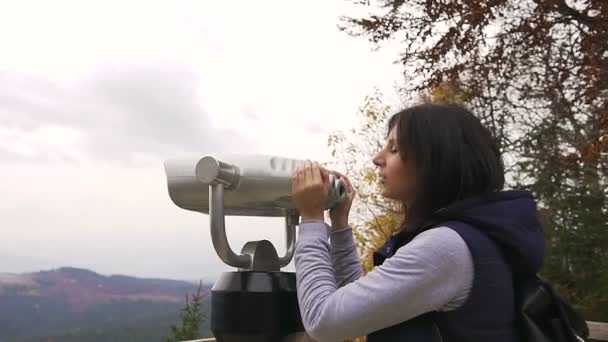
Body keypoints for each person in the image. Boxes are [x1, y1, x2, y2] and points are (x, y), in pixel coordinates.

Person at [291, 103, 545, 342]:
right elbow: (356, 310)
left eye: (393, 149)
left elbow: (322, 321)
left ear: (434, 161)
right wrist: (339, 225)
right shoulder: (467, 238)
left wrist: (312, 218)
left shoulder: (445, 247)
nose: (377, 158)